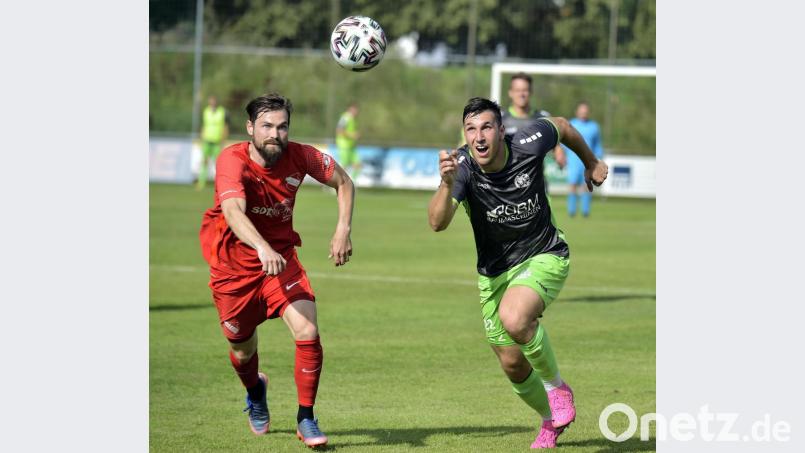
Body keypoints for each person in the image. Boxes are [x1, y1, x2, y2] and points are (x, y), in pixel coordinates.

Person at [427, 97, 608, 449]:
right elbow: (437, 222)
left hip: (545, 254)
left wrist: (591, 162)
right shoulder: (461, 167)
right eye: (471, 129)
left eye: (487, 127)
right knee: (511, 361)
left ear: (501, 130)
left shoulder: (528, 141)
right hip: (495, 273)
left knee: (515, 317)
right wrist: (447, 184)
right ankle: (549, 420)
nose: (479, 137)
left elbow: (564, 127)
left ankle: (558, 389)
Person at [199, 93, 355, 448]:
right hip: (233, 270)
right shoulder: (231, 160)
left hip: (281, 261)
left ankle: (306, 418)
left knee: (307, 328)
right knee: (241, 348)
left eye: (282, 126)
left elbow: (343, 182)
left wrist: (343, 228)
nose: (275, 134)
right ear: (250, 127)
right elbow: (234, 212)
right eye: (267, 126)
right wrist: (261, 246)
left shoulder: (301, 156)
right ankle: (256, 391)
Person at [501, 73, 566, 169]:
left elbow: (556, 145)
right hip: (508, 179)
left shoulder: (543, 118)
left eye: (525, 90)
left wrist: (558, 151)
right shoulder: (500, 119)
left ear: (531, 92)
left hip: (536, 180)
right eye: (517, 90)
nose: (521, 94)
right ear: (510, 92)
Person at [562, 101, 604, 217]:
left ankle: (585, 211)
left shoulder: (594, 127)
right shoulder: (570, 124)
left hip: (588, 161)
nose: (583, 113)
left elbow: (597, 144)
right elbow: (564, 142)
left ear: (588, 112)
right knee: (572, 185)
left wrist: (599, 159)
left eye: (585, 111)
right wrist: (562, 155)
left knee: (586, 185)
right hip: (573, 160)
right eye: (581, 111)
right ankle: (572, 211)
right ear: (577, 112)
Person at [197, 95, 229, 190]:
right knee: (204, 162)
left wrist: (223, 140)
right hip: (207, 140)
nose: (212, 103)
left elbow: (225, 127)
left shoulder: (222, 112)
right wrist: (201, 138)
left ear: (216, 102)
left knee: (219, 163)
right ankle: (201, 183)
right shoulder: (206, 111)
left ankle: (220, 183)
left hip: (217, 142)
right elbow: (204, 125)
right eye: (211, 101)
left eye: (214, 101)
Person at [335, 102, 361, 180]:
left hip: (352, 146)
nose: (356, 112)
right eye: (355, 110)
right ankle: (333, 185)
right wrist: (352, 135)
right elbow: (339, 130)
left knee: (358, 165)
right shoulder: (345, 117)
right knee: (343, 167)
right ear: (350, 109)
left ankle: (352, 184)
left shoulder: (354, 119)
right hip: (344, 145)